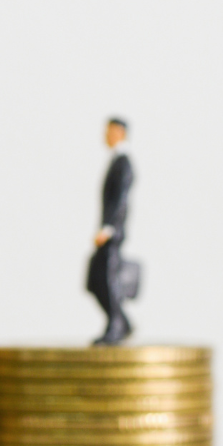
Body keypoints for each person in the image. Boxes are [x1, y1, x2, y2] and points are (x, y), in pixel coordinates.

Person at [87, 117, 135, 346]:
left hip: (112, 233)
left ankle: (117, 324)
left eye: (109, 132)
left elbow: (120, 201)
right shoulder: (115, 161)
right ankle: (121, 322)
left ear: (120, 133)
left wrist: (108, 228)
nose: (105, 136)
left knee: (107, 279)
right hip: (108, 230)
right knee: (95, 280)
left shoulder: (123, 164)